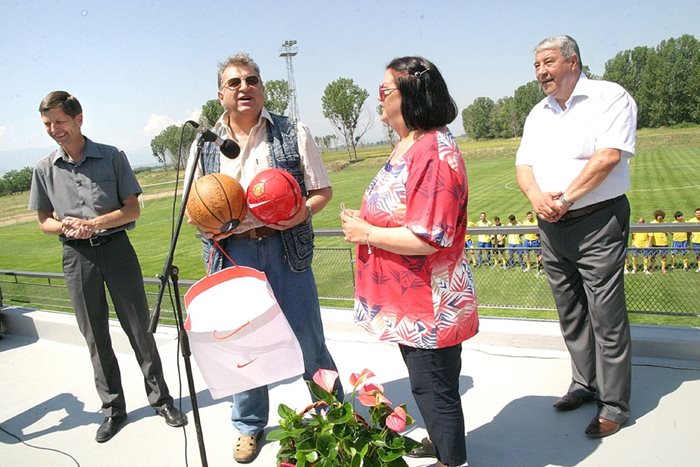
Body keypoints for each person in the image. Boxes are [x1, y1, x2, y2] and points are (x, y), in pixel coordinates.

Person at [184, 53, 342, 464]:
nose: (244, 88)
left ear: (263, 87)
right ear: (221, 94)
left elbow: (321, 191)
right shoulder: (204, 144)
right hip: (233, 254)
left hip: (284, 246)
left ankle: (335, 415)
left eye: (251, 80)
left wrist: (301, 211)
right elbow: (193, 208)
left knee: (309, 340)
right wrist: (207, 224)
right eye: (233, 83)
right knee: (244, 346)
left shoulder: (293, 131)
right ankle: (249, 426)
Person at [341, 56, 478, 467]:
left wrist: (366, 233)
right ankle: (443, 444)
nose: (378, 98)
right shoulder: (409, 144)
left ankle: (452, 461)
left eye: (385, 91)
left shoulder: (433, 152)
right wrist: (367, 223)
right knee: (428, 385)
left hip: (430, 303)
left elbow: (427, 237)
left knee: (434, 387)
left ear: (412, 97)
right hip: (410, 300)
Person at [27, 91, 187, 443]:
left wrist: (96, 224)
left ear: (79, 119)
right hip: (76, 257)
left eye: (60, 122)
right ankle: (113, 410)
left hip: (116, 251)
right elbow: (43, 221)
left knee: (139, 330)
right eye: (48, 124)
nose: (54, 129)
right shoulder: (43, 169)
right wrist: (66, 226)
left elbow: (133, 210)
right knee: (95, 338)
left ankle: (161, 401)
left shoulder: (113, 157)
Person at [515, 35, 637, 438]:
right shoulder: (538, 114)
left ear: (573, 61)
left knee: (606, 316)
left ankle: (614, 405)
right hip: (552, 226)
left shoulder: (609, 97)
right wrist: (537, 198)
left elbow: (608, 156)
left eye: (548, 62)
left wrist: (565, 198)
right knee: (571, 312)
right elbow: (524, 166)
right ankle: (584, 385)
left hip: (598, 221)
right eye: (536, 65)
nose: (540, 72)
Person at [688, 208, 700, 272]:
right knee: (697, 255)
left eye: (699, 213)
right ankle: (699, 267)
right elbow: (688, 230)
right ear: (695, 214)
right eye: (697, 213)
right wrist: (690, 234)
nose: (698, 214)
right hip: (695, 241)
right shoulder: (691, 221)